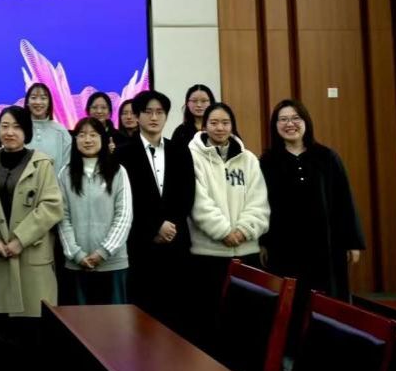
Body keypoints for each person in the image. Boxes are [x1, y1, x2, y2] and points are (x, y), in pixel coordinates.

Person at [260, 100, 365, 337]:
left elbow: (344, 200)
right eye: (283, 119)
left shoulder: (327, 157)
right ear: (275, 125)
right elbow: (261, 206)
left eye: (295, 118)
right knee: (290, 302)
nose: (290, 124)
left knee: (328, 303)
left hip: (326, 246)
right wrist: (263, 242)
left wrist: (352, 242)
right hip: (284, 247)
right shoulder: (267, 162)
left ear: (306, 122)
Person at [0, 105, 62, 371]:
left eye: (16, 126)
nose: (9, 132)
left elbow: (51, 206)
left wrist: (20, 239)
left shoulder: (42, 163)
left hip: (31, 254)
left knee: (33, 324)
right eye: (4, 125)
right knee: (1, 325)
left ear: (26, 130)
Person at [188, 102, 270, 344]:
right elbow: (198, 202)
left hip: (246, 253)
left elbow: (259, 202)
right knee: (211, 321)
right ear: (204, 126)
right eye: (213, 123)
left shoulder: (249, 159)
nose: (220, 128)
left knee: (246, 321)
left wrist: (243, 231)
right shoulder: (191, 157)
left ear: (232, 126)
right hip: (208, 255)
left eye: (225, 123)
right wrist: (224, 231)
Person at [116, 90, 195, 335]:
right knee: (142, 316)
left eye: (160, 112)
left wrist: (171, 224)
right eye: (148, 112)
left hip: (176, 241)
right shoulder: (123, 154)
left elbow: (187, 193)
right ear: (137, 116)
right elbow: (126, 200)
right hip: (141, 244)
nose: (154, 117)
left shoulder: (180, 150)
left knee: (175, 315)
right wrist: (154, 227)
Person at [57, 117, 132, 305]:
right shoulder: (65, 174)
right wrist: (76, 254)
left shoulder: (118, 171)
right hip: (77, 263)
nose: (87, 140)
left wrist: (103, 252)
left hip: (112, 263)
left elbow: (124, 216)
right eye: (82, 135)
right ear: (75, 140)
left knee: (114, 320)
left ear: (103, 139)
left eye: (93, 135)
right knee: (79, 320)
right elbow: (62, 217)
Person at [24, 82, 71, 176]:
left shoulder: (61, 132)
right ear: (27, 102)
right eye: (33, 97)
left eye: (43, 98)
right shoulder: (19, 130)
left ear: (49, 103)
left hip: (53, 184)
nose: (38, 102)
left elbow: (67, 167)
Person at [170, 84, 215, 149]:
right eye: (194, 101)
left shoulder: (219, 128)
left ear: (211, 102)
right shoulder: (180, 132)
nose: (199, 105)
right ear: (187, 103)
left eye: (204, 101)